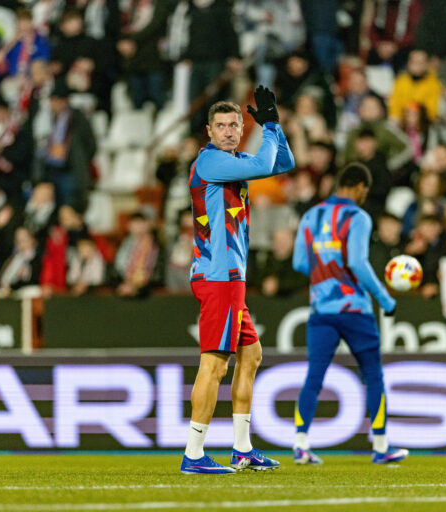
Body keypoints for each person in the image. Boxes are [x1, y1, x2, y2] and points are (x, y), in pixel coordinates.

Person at [182, 87, 294, 474]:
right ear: (208, 132)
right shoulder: (212, 162)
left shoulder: (233, 159)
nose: (230, 131)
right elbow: (266, 167)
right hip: (219, 276)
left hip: (232, 276)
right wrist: (266, 129)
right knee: (213, 364)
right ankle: (194, 453)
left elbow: (284, 162)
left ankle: (242, 448)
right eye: (222, 125)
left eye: (235, 124)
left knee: (252, 354)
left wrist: (273, 126)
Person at [291, 162, 408, 465]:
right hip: (355, 308)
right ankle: (381, 447)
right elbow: (357, 262)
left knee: (314, 377)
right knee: (373, 376)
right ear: (359, 188)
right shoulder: (357, 216)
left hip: (321, 308)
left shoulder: (310, 215)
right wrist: (384, 298)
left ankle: (301, 443)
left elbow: (300, 263)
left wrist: (324, 275)